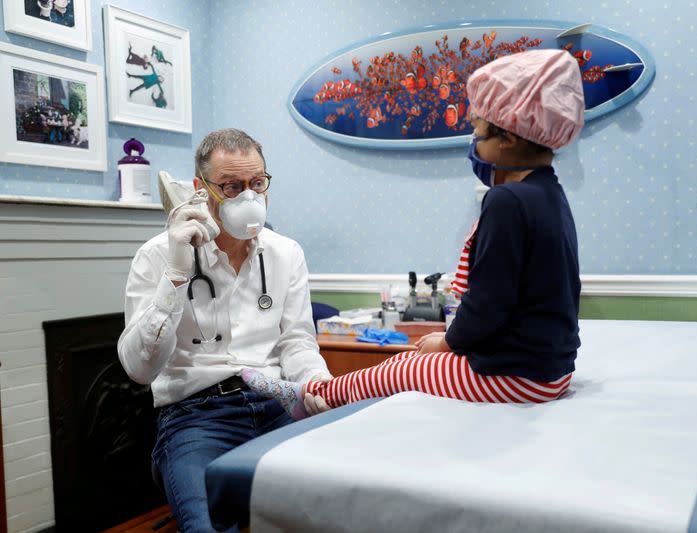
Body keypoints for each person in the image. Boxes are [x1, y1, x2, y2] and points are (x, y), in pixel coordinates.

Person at [243, 49, 584, 419]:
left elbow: (489, 302)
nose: (474, 141)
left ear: (510, 138)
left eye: (479, 130)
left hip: (517, 375)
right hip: (553, 371)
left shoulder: (506, 201)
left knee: (398, 368)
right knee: (407, 358)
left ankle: (309, 395)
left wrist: (448, 341)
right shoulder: (550, 193)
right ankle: (314, 393)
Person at [117, 129, 333, 532]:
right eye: (232, 187)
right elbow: (138, 370)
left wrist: (315, 382)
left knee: (336, 506)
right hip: (196, 416)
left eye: (257, 184)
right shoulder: (158, 255)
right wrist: (177, 277)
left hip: (277, 404)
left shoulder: (286, 253)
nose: (248, 198)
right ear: (201, 190)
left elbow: (297, 341)